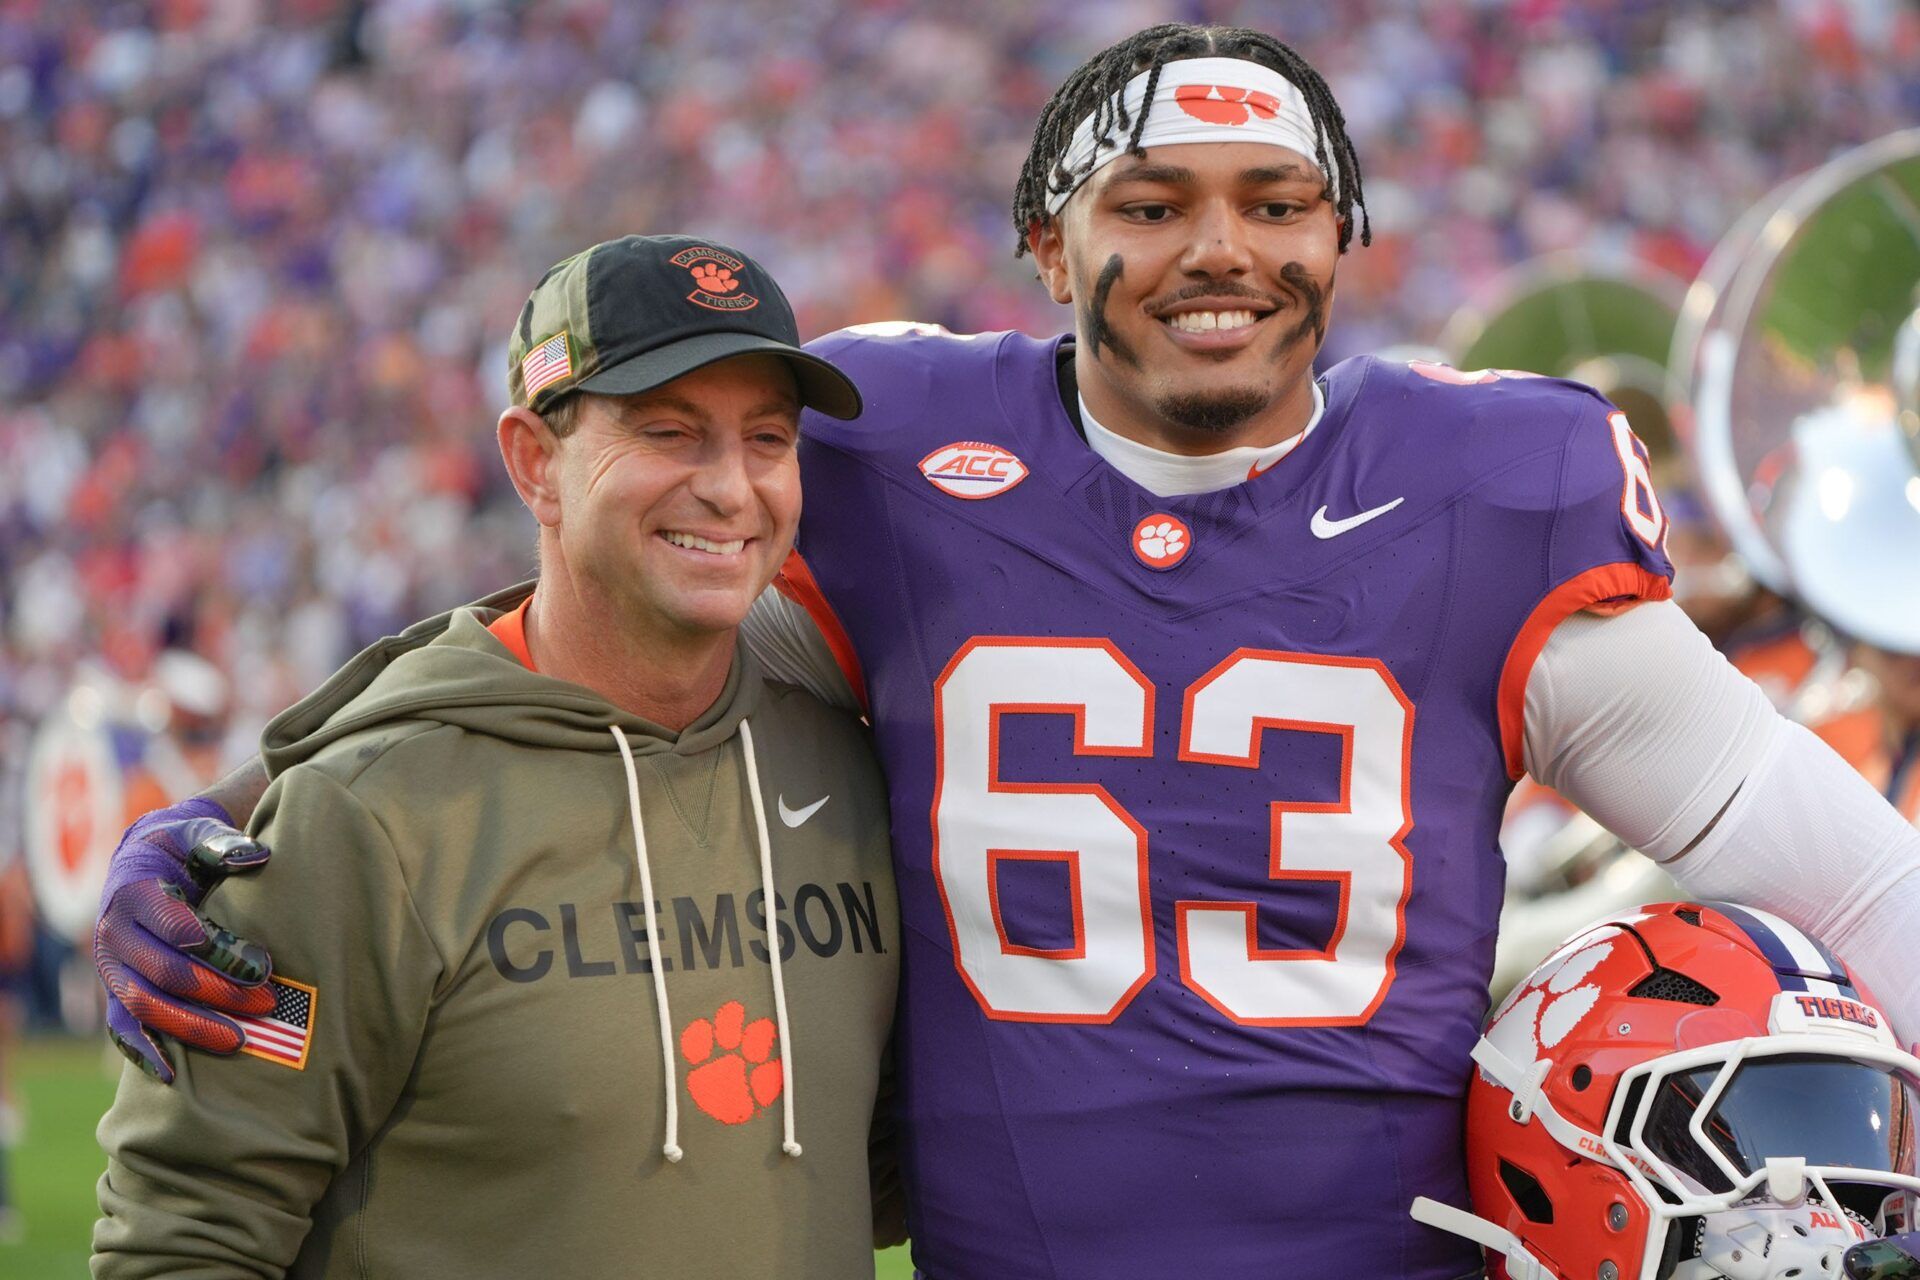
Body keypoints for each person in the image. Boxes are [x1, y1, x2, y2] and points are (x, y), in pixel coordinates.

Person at [91, 24, 1920, 1279]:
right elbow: (586, 634)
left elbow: (1819, 852)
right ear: (1049, 246)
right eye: (1151, 205)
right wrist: (245, 806)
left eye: (1275, 203)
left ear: (1345, 236)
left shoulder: (1488, 482)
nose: (1223, 250)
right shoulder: (895, 447)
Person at [91, 235, 901, 1278]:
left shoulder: (844, 767)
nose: (732, 487)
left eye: (768, 439)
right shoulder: (361, 815)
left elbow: (884, 1174)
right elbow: (187, 1235)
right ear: (533, 462)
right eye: (668, 431)